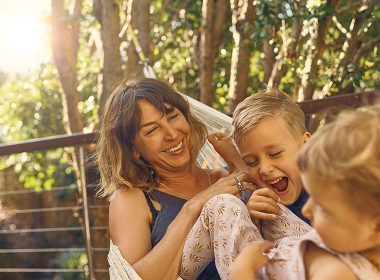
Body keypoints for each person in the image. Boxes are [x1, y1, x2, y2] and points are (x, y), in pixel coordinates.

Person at [96, 77, 256, 280]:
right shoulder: (132, 198)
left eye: (172, 116)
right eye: (152, 130)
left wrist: (237, 162)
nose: (171, 134)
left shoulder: (223, 179)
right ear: (133, 149)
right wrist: (193, 207)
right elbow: (131, 279)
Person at [230, 107, 380, 279]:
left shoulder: (335, 273)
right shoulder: (347, 247)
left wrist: (243, 270)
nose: (306, 210)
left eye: (322, 207)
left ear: (376, 225)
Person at [179, 89, 313, 279]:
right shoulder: (249, 198)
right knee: (225, 204)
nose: (265, 169)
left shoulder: (337, 191)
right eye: (251, 162)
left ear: (306, 145)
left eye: (274, 154)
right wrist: (251, 219)